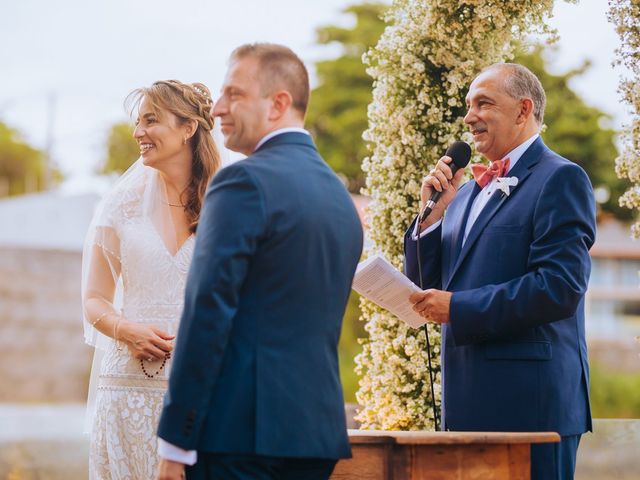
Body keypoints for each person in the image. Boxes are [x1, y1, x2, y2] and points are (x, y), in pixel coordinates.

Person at [155, 43, 363, 480]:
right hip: (315, 435)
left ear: (278, 104)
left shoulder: (242, 181)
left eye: (234, 94)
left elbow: (207, 311)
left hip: (242, 435)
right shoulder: (338, 198)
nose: (217, 109)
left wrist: (176, 440)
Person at [404, 63, 595, 480]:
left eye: (483, 103)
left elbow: (559, 288)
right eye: (468, 105)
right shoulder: (466, 191)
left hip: (532, 411)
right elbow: (430, 284)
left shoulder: (561, 179)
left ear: (523, 110)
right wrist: (432, 217)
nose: (469, 117)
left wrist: (458, 308)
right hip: (466, 405)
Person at [82, 79, 220, 479]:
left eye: (151, 120)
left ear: (188, 128)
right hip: (125, 388)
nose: (138, 132)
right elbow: (93, 300)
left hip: (201, 392)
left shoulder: (224, 204)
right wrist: (128, 331)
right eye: (138, 122)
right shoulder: (118, 205)